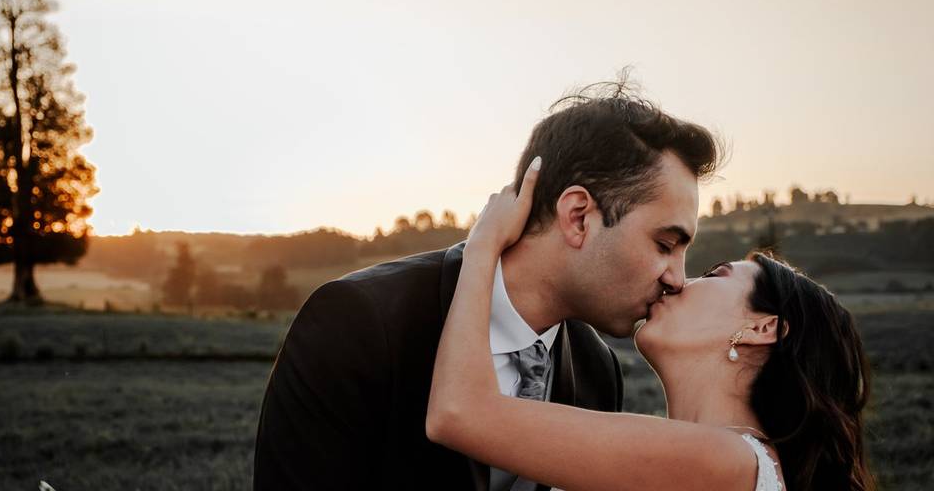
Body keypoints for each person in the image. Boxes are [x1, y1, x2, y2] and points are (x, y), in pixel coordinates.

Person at [253, 81, 722, 490]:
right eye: (665, 244)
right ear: (578, 217)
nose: (677, 279)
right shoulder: (358, 320)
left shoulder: (597, 371)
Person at [427, 161, 874, 491]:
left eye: (715, 274)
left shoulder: (725, 460)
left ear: (764, 328)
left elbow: (459, 413)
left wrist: (483, 244)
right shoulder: (719, 459)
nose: (679, 280)